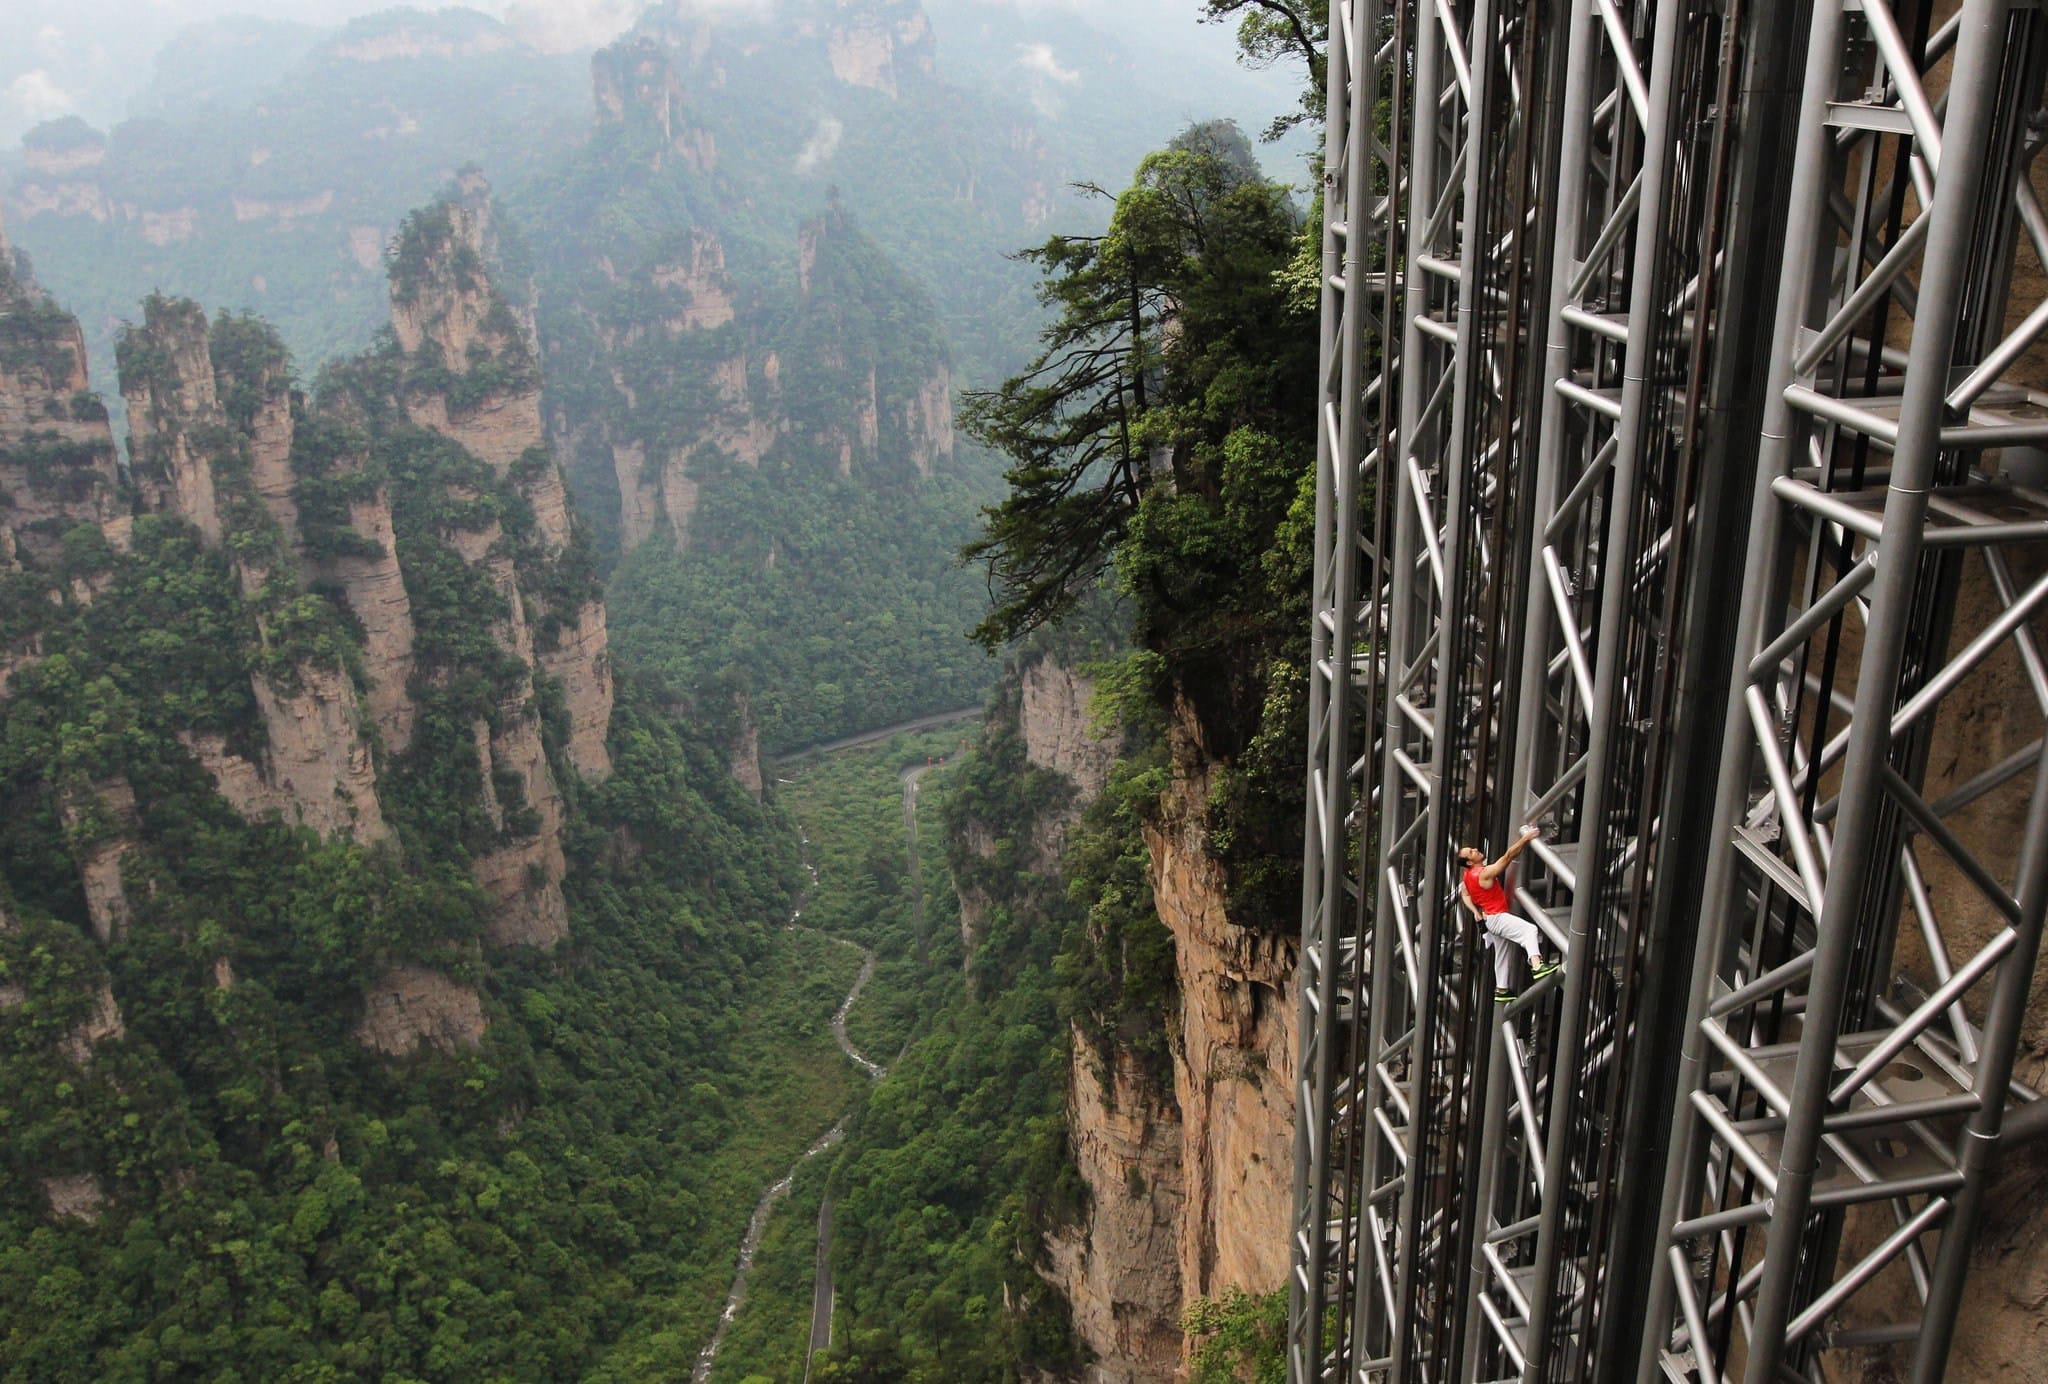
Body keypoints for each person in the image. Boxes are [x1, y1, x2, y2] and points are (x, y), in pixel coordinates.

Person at [1458, 827, 1560, 1003]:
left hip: (1490, 919)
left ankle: (1502, 989)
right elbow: (1508, 856)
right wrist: (1526, 838)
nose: (1475, 849)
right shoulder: (1483, 873)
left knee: (1502, 952)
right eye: (1471, 852)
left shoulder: (1468, 876)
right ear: (1469, 862)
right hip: (1497, 917)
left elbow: (1465, 894)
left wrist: (1476, 911)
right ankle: (1537, 966)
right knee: (1530, 930)